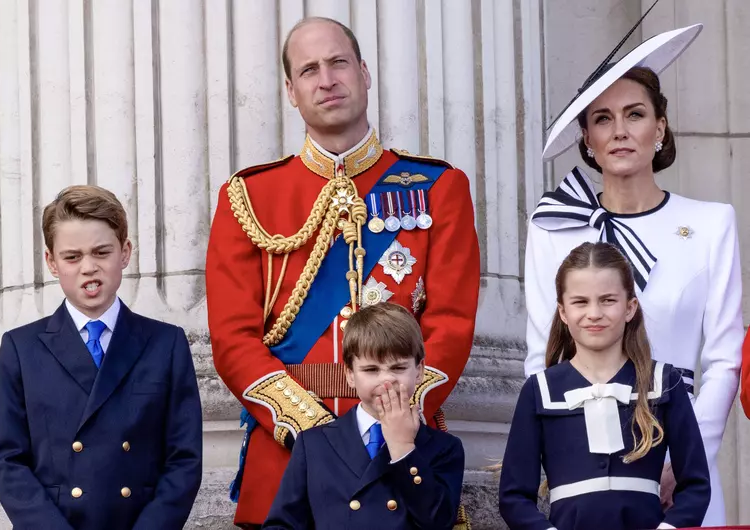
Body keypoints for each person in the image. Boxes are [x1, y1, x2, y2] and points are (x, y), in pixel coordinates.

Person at [205, 16, 479, 528]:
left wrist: (396, 415)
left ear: (365, 73)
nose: (326, 79)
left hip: (401, 449)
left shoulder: (439, 187)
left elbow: (451, 323)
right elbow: (232, 339)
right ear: (291, 91)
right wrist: (314, 431)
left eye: (338, 63)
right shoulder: (248, 197)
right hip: (288, 456)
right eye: (309, 69)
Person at [524, 20, 741, 525]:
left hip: (681, 454)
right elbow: (541, 355)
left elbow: (725, 361)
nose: (620, 131)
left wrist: (685, 462)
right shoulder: (555, 227)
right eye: (603, 118)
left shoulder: (711, 223)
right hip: (584, 454)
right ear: (587, 136)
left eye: (635, 114)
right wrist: (563, 456)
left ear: (660, 127)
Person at [0, 186, 203, 530]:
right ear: (52, 262)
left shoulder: (166, 344)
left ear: (125, 252)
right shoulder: (20, 348)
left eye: (101, 252)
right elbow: (7, 462)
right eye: (72, 257)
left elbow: (184, 459)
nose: (88, 267)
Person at [501, 242, 710, 530]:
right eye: (580, 302)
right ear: (563, 312)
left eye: (608, 300)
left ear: (630, 307)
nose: (594, 313)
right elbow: (514, 497)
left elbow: (696, 485)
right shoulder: (539, 391)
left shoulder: (663, 382)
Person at [263, 303, 465, 529]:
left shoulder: (444, 448)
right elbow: (282, 525)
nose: (386, 380)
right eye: (371, 370)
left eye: (398, 368)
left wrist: (404, 448)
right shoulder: (313, 444)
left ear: (419, 371)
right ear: (350, 374)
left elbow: (438, 522)